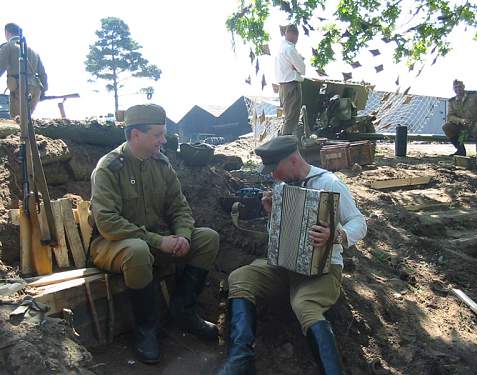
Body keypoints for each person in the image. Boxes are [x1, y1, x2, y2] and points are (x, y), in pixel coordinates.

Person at [216, 136, 367, 375]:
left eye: (276, 169)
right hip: (284, 265)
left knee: (304, 304)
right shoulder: (283, 188)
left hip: (323, 268)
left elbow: (359, 222)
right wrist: (271, 215)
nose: (274, 176)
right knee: (240, 278)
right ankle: (240, 360)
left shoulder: (329, 183)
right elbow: (279, 235)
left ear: (294, 160)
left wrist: (335, 235)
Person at [90, 104, 220, 364]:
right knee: (137, 250)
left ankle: (183, 311)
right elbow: (108, 223)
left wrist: (183, 235)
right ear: (136, 134)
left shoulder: (161, 164)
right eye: (158, 135)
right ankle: (146, 329)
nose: (164, 140)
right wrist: (159, 241)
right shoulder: (109, 168)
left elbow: (179, 206)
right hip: (111, 245)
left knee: (207, 238)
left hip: (152, 242)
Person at [0, 23, 47, 118]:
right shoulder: (33, 50)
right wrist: (43, 92)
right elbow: (43, 74)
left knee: (17, 121)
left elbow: (1, 66)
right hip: (36, 90)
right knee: (26, 121)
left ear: (7, 32)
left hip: (20, 88)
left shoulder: (8, 46)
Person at [442, 79, 477, 158]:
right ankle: (460, 151)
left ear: (463, 87)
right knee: (446, 127)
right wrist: (461, 120)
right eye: (455, 87)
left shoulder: (475, 95)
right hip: (462, 125)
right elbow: (450, 116)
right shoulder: (452, 101)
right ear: (453, 89)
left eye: (459, 86)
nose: (458, 89)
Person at [275, 24, 306, 136]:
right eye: (296, 35)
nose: (297, 39)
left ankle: (284, 142)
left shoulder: (281, 48)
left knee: (288, 117)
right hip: (291, 86)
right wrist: (297, 66)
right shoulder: (289, 48)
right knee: (292, 119)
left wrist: (296, 66)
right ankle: (285, 146)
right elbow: (302, 69)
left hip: (283, 86)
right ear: (291, 34)